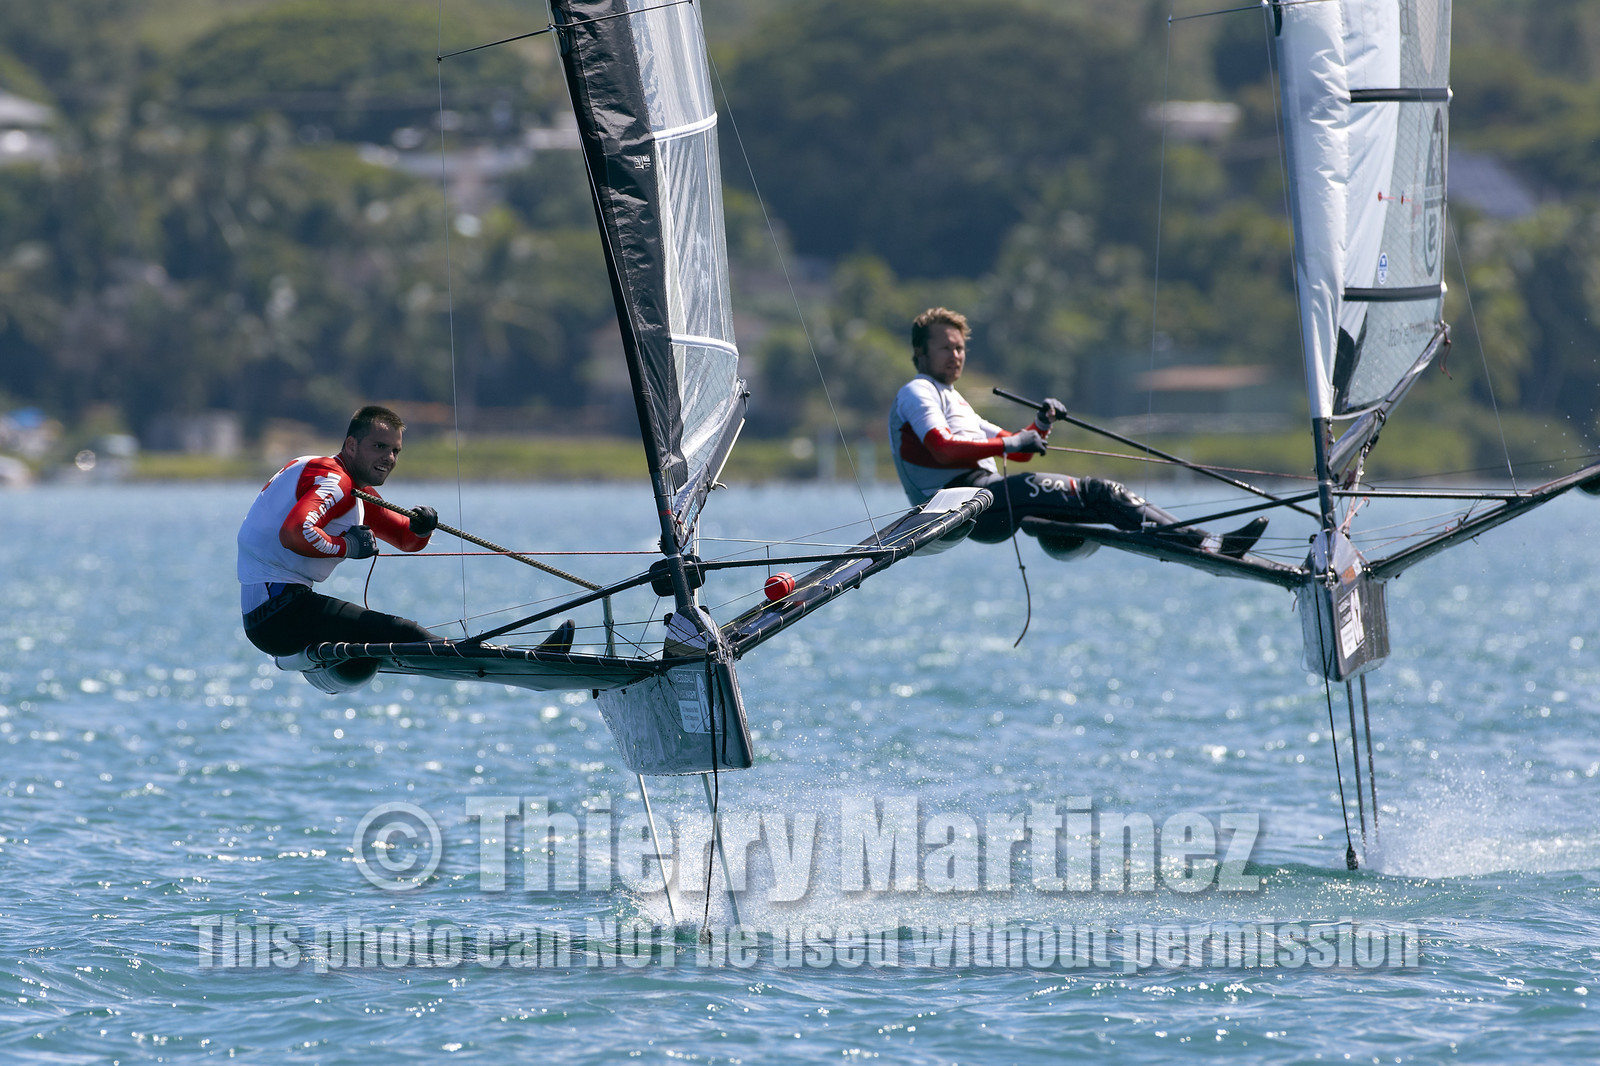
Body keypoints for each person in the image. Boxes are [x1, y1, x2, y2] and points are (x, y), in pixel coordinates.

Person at [888, 307, 1267, 555]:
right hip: (962, 506)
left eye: (960, 348)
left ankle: (1196, 541)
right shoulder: (918, 391)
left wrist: (1040, 425)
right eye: (944, 348)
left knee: (1098, 498)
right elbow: (940, 448)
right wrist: (1012, 441)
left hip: (985, 499)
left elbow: (1017, 449)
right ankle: (1207, 543)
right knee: (1101, 491)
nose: (955, 356)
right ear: (921, 354)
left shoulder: (955, 400)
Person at [237, 405, 441, 657]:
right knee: (407, 633)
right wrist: (349, 546)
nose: (389, 458)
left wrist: (422, 528)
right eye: (379, 446)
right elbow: (294, 533)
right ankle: (469, 656)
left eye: (395, 451)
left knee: (392, 632)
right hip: (281, 614)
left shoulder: (341, 481)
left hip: (266, 616)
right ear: (352, 445)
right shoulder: (337, 481)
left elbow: (405, 539)